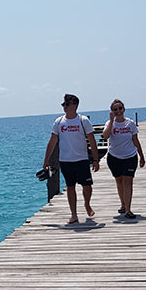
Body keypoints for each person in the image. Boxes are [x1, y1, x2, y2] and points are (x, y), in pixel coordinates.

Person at [43, 93, 100, 224]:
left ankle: (87, 204)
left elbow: (92, 140)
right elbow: (52, 142)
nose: (64, 106)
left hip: (82, 159)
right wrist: (46, 160)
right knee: (70, 187)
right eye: (63, 104)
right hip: (65, 160)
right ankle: (74, 214)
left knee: (87, 186)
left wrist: (95, 160)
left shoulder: (83, 120)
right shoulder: (59, 122)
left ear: (74, 105)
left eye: (66, 104)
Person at [101, 99, 145, 219]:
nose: (118, 111)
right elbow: (105, 136)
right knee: (119, 181)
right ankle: (123, 204)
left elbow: (135, 140)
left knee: (128, 181)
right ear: (112, 111)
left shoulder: (130, 124)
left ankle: (128, 210)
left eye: (120, 108)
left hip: (130, 156)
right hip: (114, 157)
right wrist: (111, 121)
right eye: (115, 109)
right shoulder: (110, 124)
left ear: (124, 109)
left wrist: (141, 155)